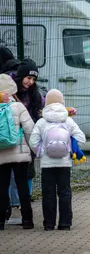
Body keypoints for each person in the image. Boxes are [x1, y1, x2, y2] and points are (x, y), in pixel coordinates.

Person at [29, 89, 85, 231]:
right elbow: (81, 138)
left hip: (47, 164)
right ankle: (65, 224)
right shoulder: (68, 121)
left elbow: (33, 141)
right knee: (65, 192)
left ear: (46, 103)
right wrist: (70, 150)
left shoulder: (42, 122)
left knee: (48, 193)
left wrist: (42, 152)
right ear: (62, 102)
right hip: (64, 163)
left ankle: (49, 224)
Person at [0, 74, 35, 230]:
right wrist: (35, 150)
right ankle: (27, 220)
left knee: (2, 186)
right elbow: (29, 130)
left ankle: (0, 221)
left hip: (1, 153)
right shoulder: (19, 107)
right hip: (20, 153)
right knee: (22, 185)